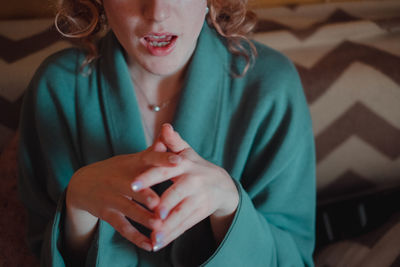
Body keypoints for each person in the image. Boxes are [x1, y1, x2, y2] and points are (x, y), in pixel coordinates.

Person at [17, 0, 316, 266]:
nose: (157, 13)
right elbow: (43, 250)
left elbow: (294, 258)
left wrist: (229, 205)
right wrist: (77, 206)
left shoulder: (272, 87)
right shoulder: (56, 87)